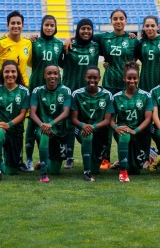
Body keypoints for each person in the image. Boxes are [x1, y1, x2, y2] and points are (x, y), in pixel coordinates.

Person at [0, 11, 33, 175]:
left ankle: (18, 160)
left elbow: (32, 63)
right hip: (1, 88)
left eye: (19, 23)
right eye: (13, 23)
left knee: (19, 127)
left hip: (22, 90)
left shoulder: (28, 44)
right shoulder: (0, 42)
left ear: (23, 25)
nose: (16, 26)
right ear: (7, 25)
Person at [91, 9, 140, 170]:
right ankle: (105, 158)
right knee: (107, 123)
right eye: (115, 19)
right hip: (110, 85)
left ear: (126, 20)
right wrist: (68, 39)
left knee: (126, 122)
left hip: (127, 87)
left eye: (121, 18)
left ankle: (126, 157)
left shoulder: (132, 40)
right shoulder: (104, 37)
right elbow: (84, 34)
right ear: (111, 21)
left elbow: (141, 54)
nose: (118, 21)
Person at [58, 18, 100, 169]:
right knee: (69, 124)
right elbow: (59, 63)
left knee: (87, 125)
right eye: (83, 28)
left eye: (89, 28)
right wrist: (68, 39)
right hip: (70, 90)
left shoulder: (96, 45)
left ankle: (92, 154)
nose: (86, 31)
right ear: (78, 30)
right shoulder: (68, 46)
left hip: (88, 93)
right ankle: (69, 157)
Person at [25, 15, 63, 172]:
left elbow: (63, 62)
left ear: (55, 27)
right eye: (46, 25)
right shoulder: (34, 42)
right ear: (42, 26)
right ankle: (28, 159)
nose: (49, 28)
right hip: (36, 86)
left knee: (53, 122)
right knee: (32, 122)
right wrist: (29, 39)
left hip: (54, 89)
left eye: (52, 25)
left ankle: (50, 157)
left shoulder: (59, 44)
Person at [0, 60, 30, 182]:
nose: (10, 74)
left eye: (13, 71)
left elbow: (23, 114)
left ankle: (1, 164)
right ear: (2, 73)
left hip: (15, 130)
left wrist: (9, 125)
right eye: (7, 72)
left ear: (18, 73)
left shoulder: (24, 91)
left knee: (11, 171)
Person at [110, 61, 153, 183]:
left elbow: (148, 118)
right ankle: (123, 172)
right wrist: (116, 128)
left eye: (134, 78)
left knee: (136, 170)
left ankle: (150, 154)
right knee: (124, 134)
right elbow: (111, 120)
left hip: (140, 133)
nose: (132, 81)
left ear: (138, 79)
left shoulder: (146, 96)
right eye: (129, 78)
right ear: (124, 78)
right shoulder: (116, 97)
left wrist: (135, 131)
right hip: (123, 130)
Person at [29, 65, 72, 183]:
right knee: (44, 134)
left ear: (59, 75)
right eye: (49, 73)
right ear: (44, 75)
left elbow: (66, 112)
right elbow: (32, 113)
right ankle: (43, 173)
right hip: (42, 128)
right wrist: (43, 125)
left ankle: (45, 161)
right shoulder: (37, 91)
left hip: (59, 131)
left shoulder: (65, 90)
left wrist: (51, 124)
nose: (52, 76)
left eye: (55, 73)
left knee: (55, 171)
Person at [70, 66, 113, 182]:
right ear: (85, 78)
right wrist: (84, 126)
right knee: (87, 134)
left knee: (96, 169)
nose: (92, 80)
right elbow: (73, 118)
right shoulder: (77, 94)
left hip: (99, 130)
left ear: (99, 78)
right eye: (89, 77)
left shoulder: (107, 95)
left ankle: (92, 166)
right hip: (81, 129)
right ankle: (86, 172)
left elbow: (107, 120)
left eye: (95, 78)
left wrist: (92, 127)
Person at [136, 15, 160, 93]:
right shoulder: (141, 42)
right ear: (143, 27)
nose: (150, 28)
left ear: (158, 27)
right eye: (147, 26)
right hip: (145, 80)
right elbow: (133, 59)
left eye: (153, 26)